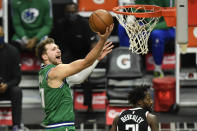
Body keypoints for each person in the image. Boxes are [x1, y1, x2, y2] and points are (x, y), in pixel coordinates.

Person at [35, 24, 114, 130]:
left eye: (58, 48)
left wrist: (96, 59)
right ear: (44, 56)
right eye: (53, 49)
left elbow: (78, 78)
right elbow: (86, 62)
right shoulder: (55, 71)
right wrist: (102, 40)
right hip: (61, 127)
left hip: (55, 126)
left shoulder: (46, 72)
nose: (58, 50)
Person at [135, 0, 175, 77]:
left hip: (167, 29)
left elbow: (170, 21)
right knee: (122, 28)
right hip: (148, 27)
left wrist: (149, 27)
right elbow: (137, 12)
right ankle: (129, 66)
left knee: (156, 34)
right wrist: (132, 19)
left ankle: (158, 69)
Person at [0, 26, 23, 131]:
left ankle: (16, 125)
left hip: (8, 88)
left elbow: (17, 78)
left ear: (3, 36)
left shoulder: (13, 51)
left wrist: (7, 85)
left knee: (17, 91)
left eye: (0, 35)